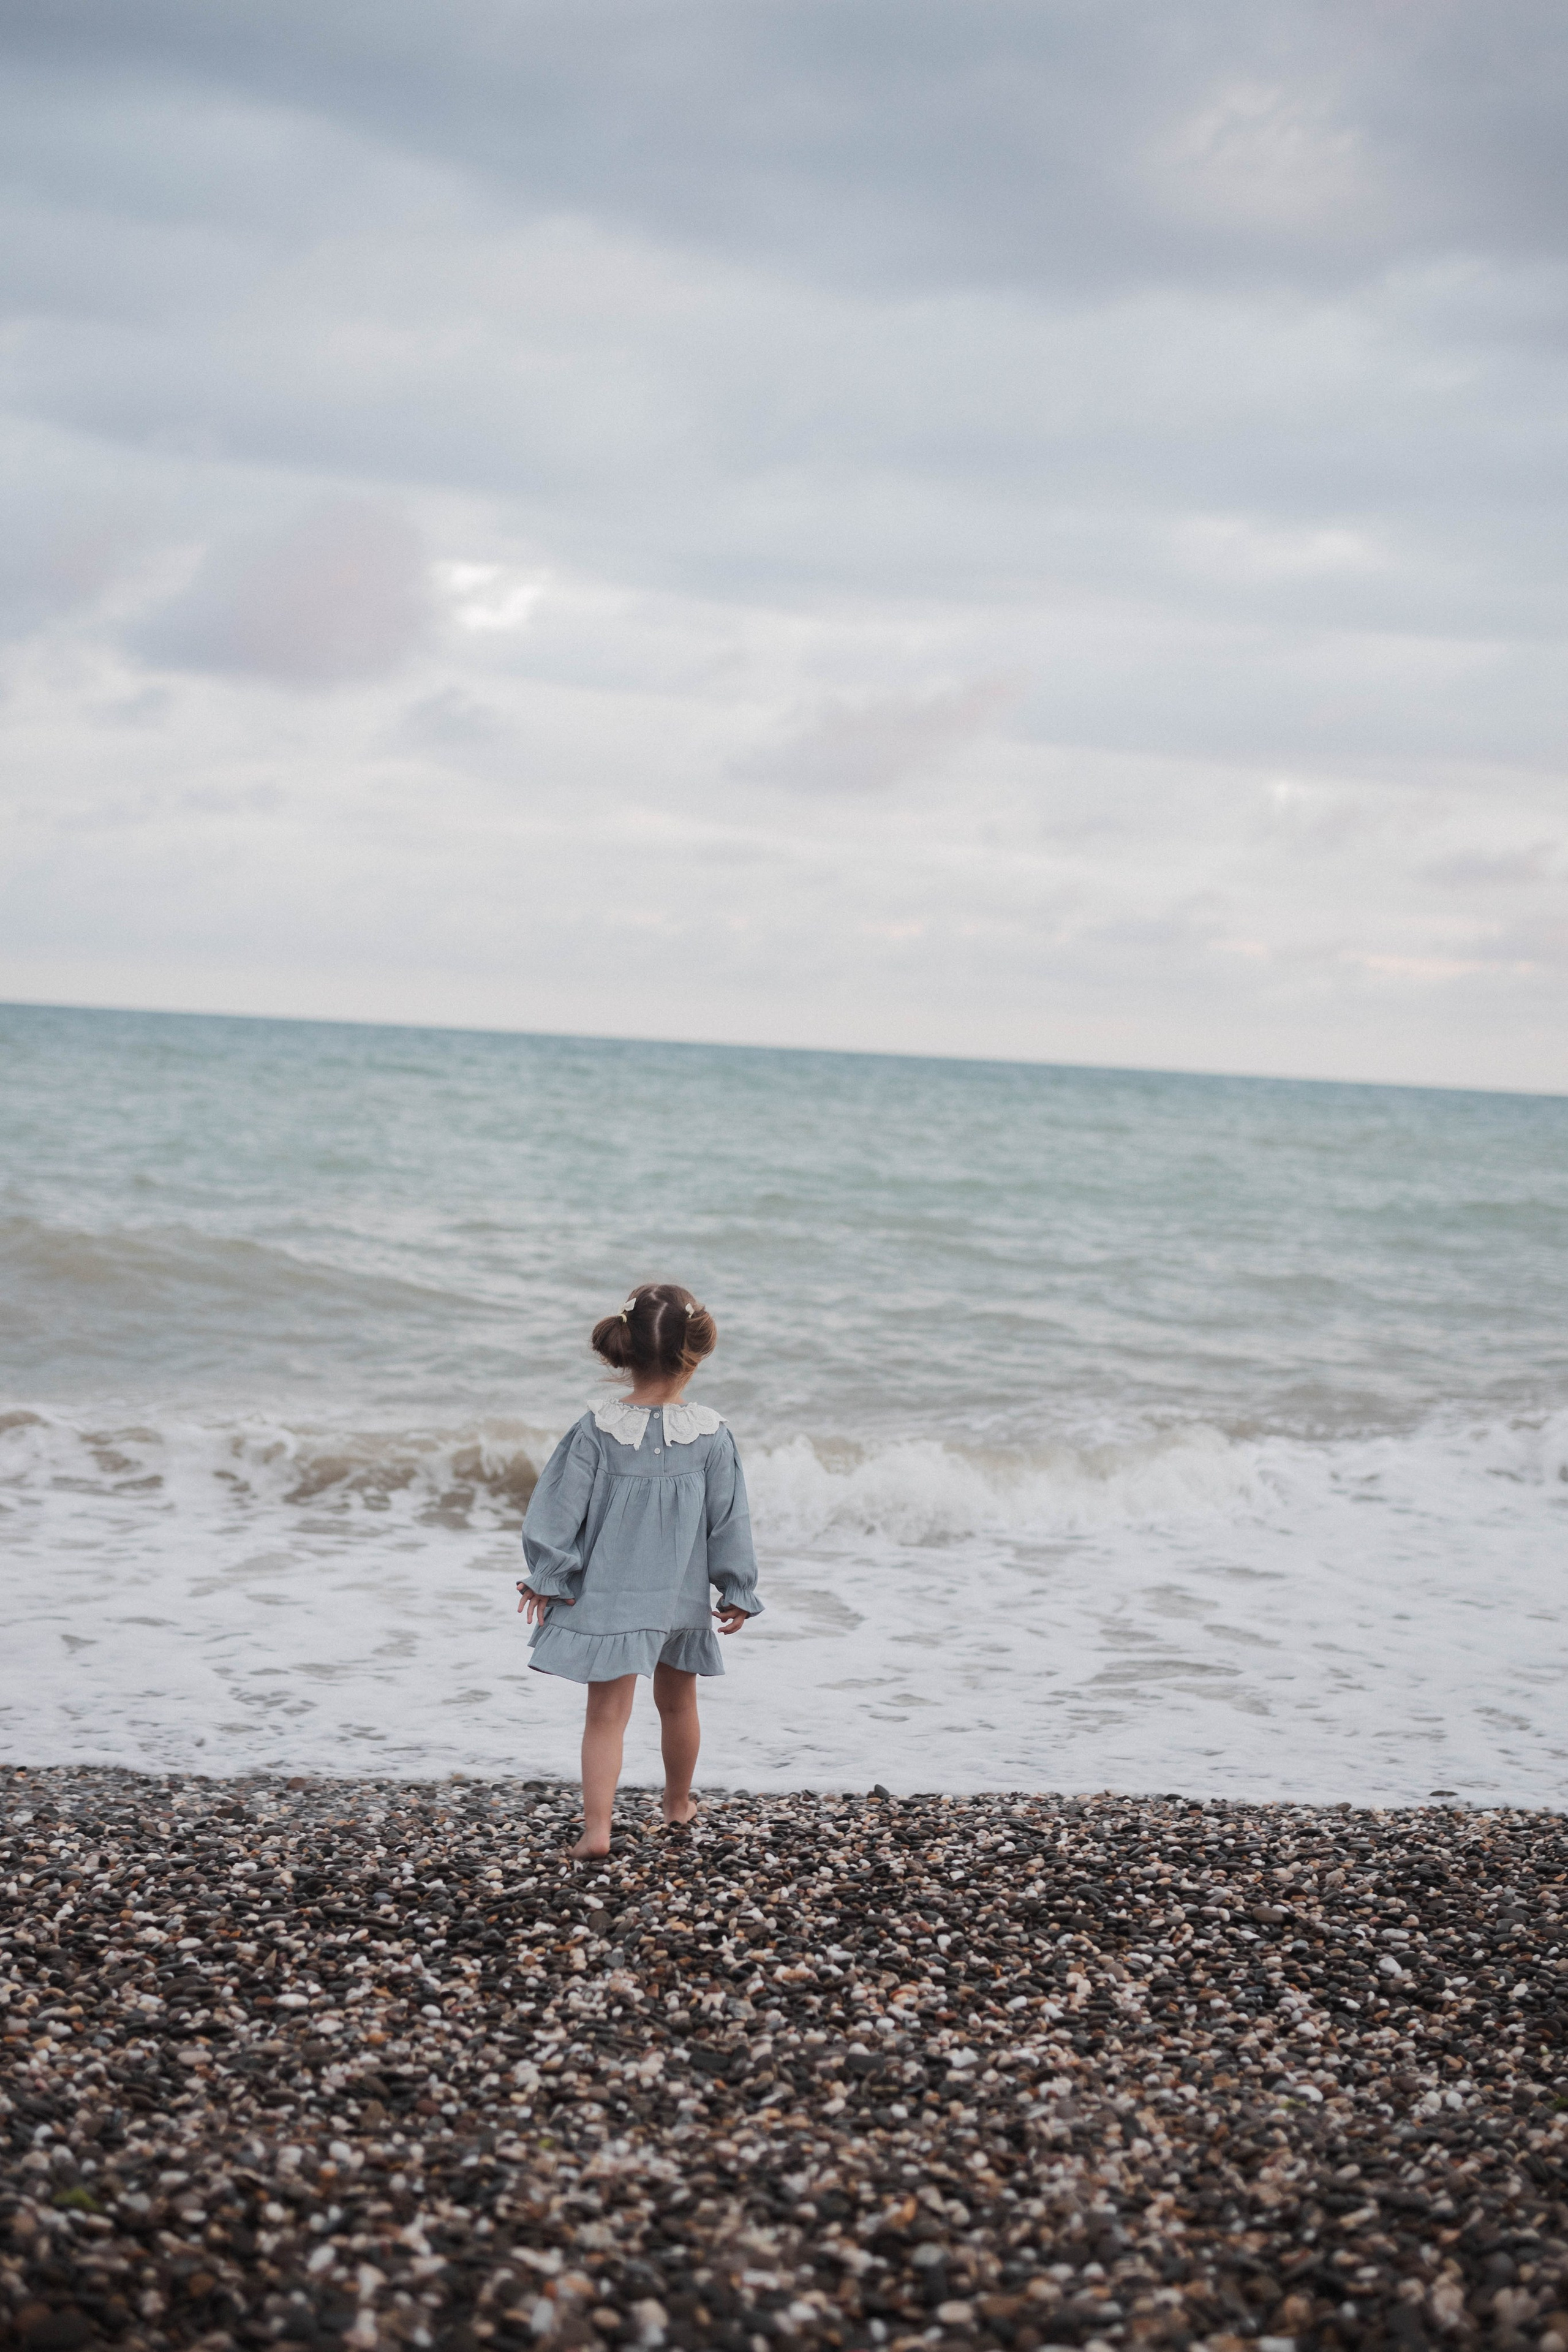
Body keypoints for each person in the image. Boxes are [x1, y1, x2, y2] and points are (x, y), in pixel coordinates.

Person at [516, 1282, 762, 1856]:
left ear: (625, 1350)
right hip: (678, 1597)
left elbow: (556, 1510)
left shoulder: (596, 1429)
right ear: (695, 1353)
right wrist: (736, 1588)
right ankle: (678, 1805)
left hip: (607, 1596)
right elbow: (730, 1521)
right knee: (679, 1704)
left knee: (606, 1714)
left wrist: (548, 1575)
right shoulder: (711, 1435)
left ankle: (597, 1831)